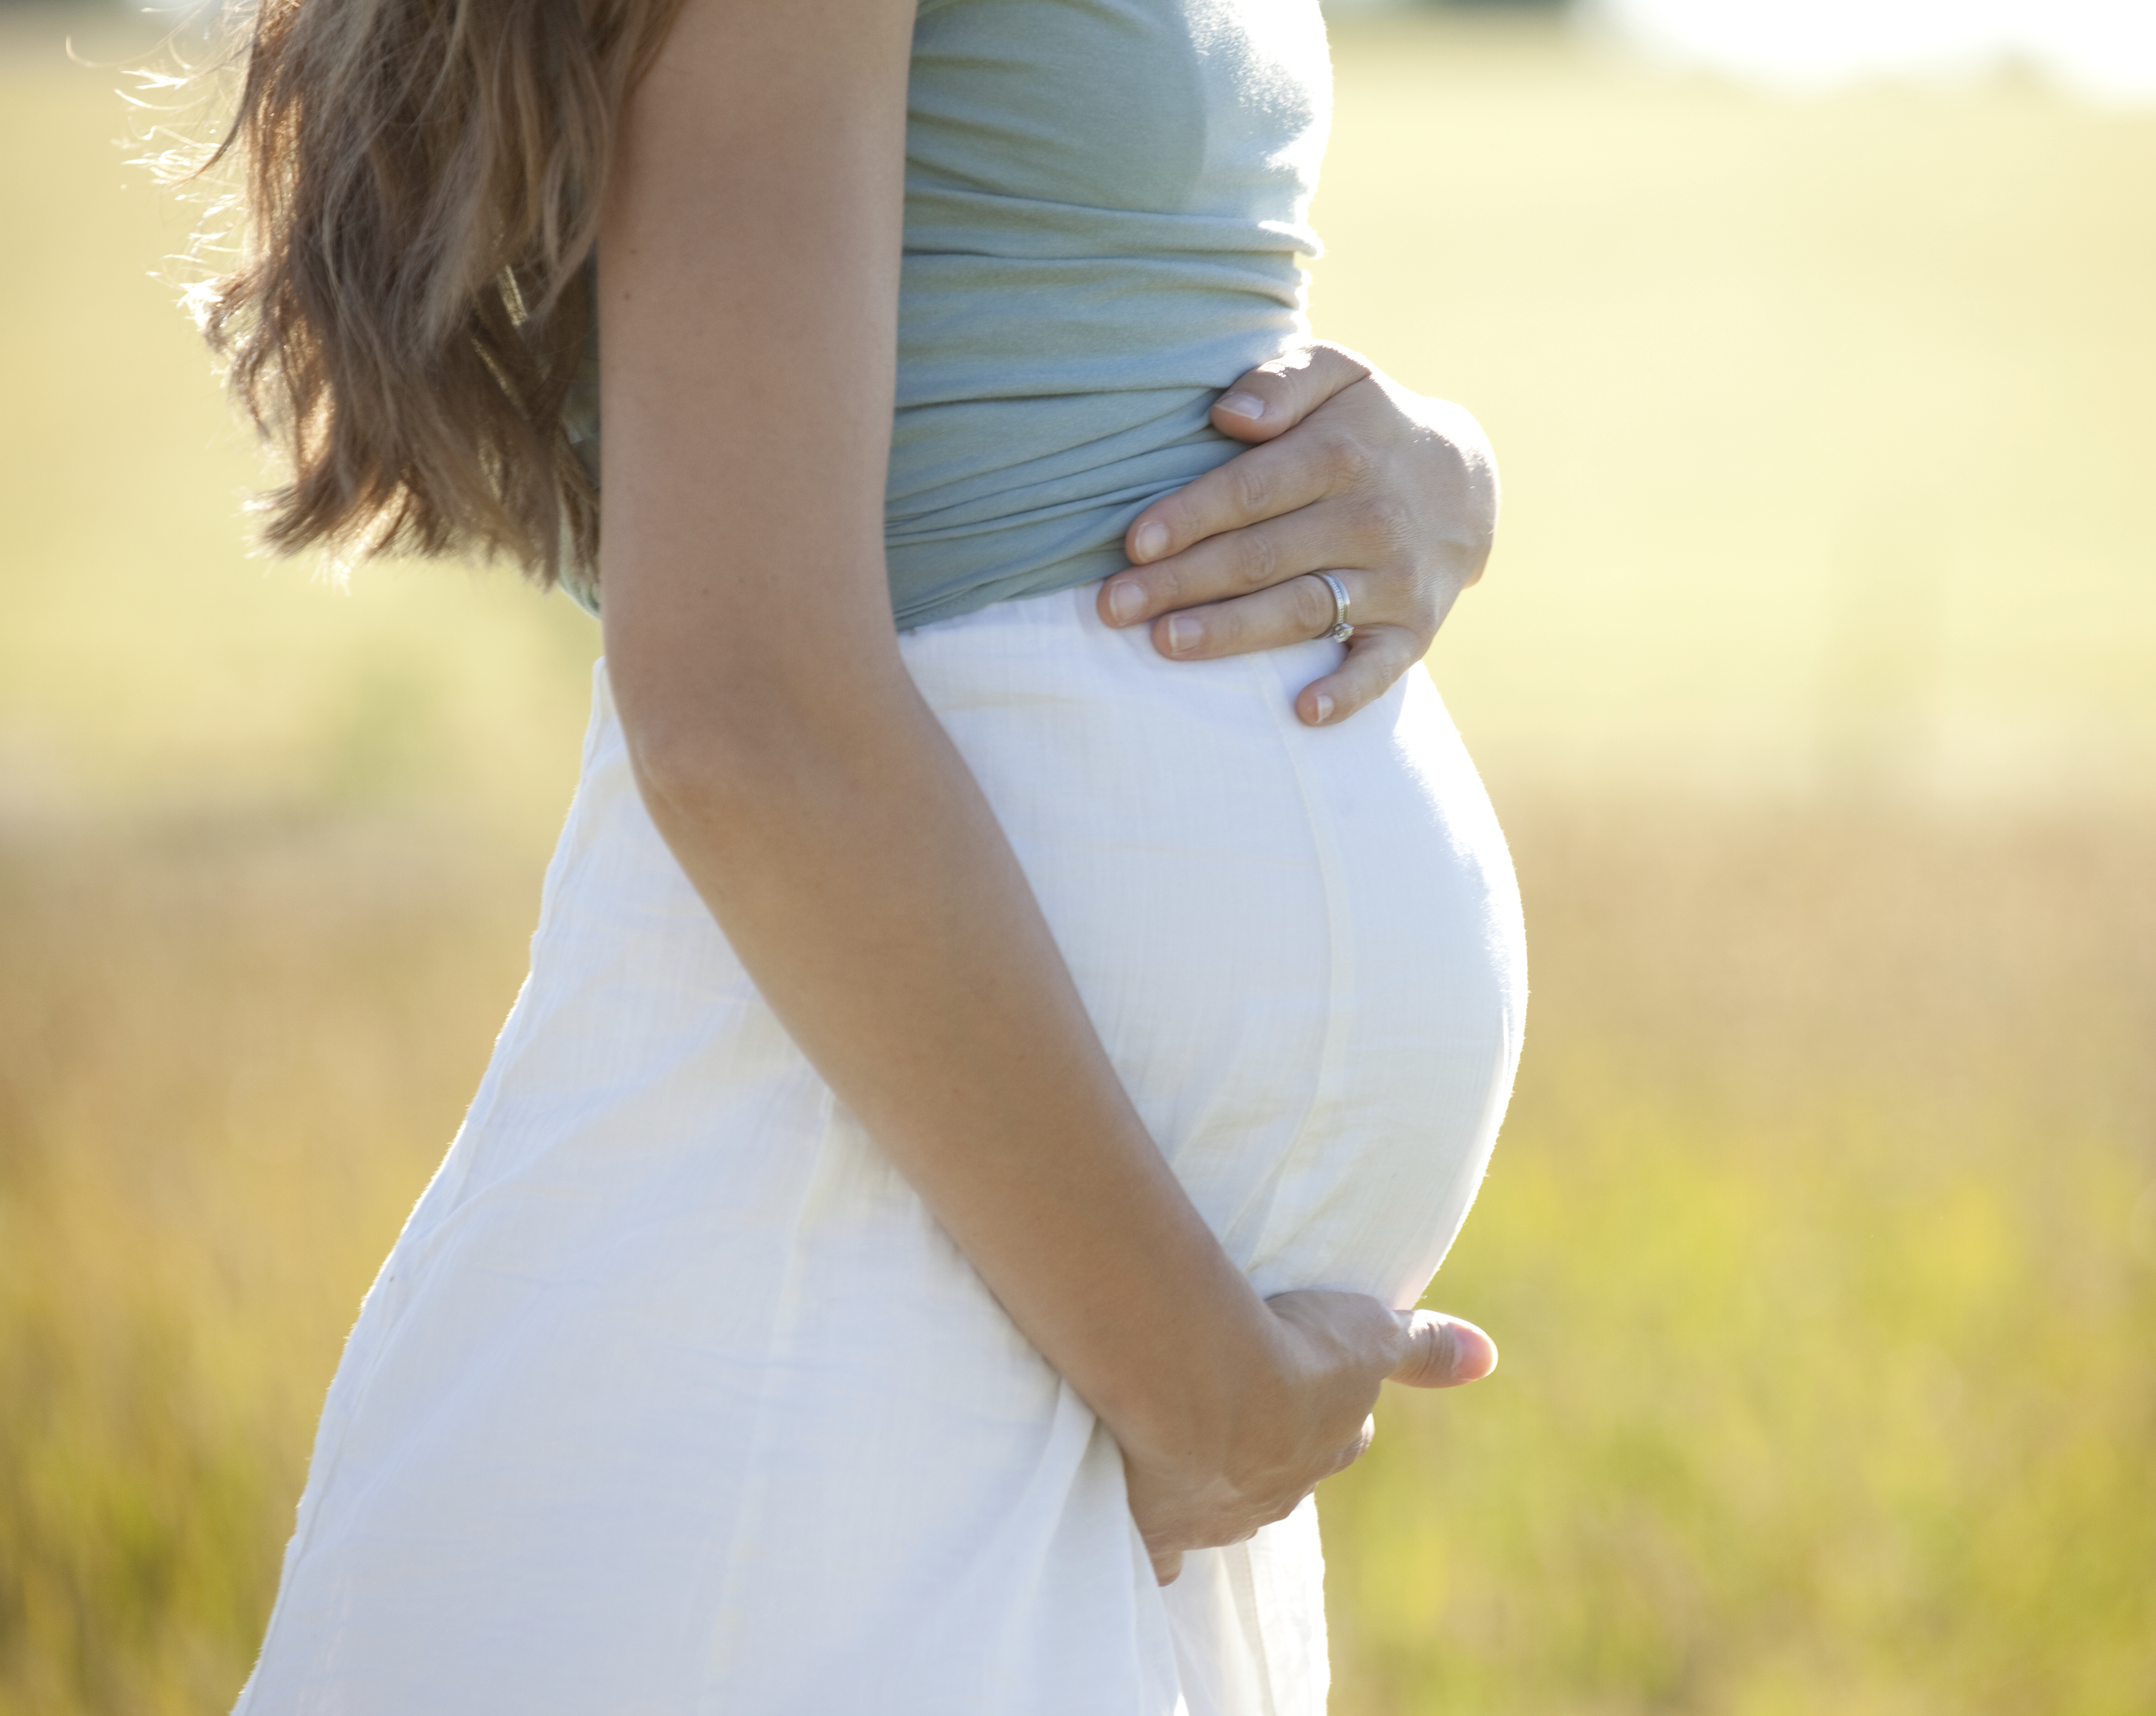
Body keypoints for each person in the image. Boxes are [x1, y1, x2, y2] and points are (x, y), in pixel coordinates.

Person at [199, 0, 1525, 1709]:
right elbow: (741, 709)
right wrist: (1201, 1382)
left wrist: (1446, 480)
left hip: (1040, 1333)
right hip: (832, 1283)